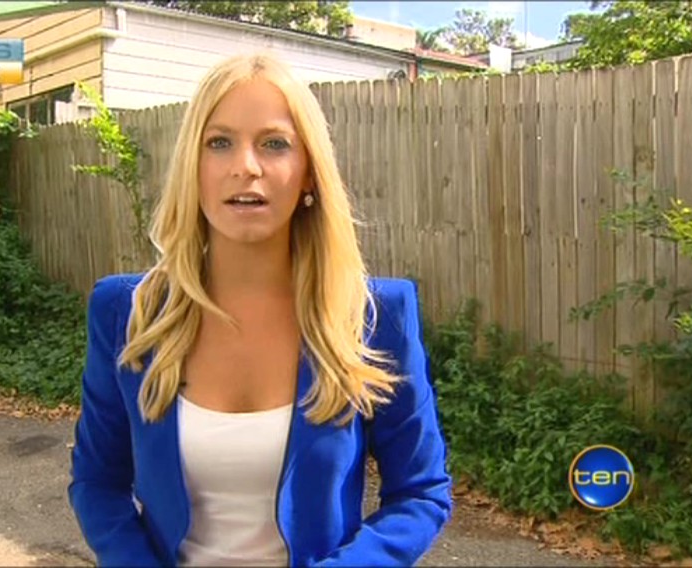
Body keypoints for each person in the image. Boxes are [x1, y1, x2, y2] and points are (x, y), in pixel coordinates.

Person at [68, 52, 452, 567]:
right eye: (219, 142)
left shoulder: (377, 317)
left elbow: (420, 494)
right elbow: (97, 483)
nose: (245, 166)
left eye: (274, 144)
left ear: (309, 172)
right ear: (193, 166)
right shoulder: (126, 312)